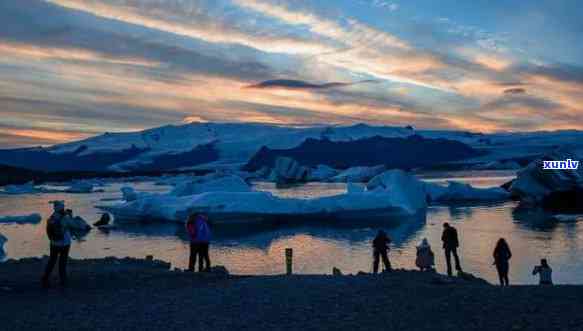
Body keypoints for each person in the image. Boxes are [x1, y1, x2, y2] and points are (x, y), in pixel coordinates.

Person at [41, 201, 75, 288]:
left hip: (54, 243)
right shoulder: (65, 218)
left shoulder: (51, 218)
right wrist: (71, 216)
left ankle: (45, 278)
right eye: (63, 207)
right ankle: (63, 280)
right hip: (65, 243)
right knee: (62, 262)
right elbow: (73, 225)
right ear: (61, 208)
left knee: (52, 261)